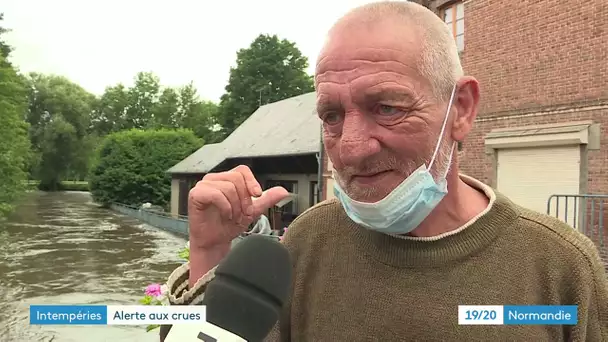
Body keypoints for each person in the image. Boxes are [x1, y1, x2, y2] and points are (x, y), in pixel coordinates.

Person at [160, 2, 608, 341]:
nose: (351, 149)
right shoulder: (307, 242)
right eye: (332, 115)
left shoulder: (560, 267)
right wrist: (208, 252)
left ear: (461, 110)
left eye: (387, 107)